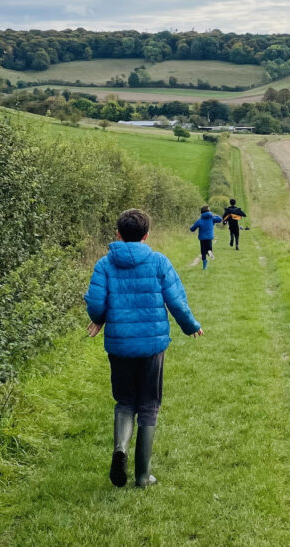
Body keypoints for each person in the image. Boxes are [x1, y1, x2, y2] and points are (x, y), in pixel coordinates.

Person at [84, 208, 204, 489]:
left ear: (117, 234)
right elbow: (176, 301)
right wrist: (190, 325)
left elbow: (96, 304)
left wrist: (99, 319)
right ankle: (142, 476)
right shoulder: (159, 262)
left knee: (125, 401)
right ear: (147, 235)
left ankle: (120, 449)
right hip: (152, 345)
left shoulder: (104, 265)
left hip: (119, 345)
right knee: (149, 405)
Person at [189, 204, 223, 269]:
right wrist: (212, 214)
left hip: (202, 239)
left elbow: (193, 229)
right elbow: (220, 219)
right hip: (209, 237)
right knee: (209, 249)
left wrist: (190, 227)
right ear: (208, 211)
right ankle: (209, 252)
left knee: (203, 251)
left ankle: (205, 266)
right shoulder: (211, 218)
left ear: (201, 212)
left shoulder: (200, 220)